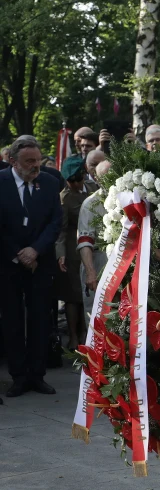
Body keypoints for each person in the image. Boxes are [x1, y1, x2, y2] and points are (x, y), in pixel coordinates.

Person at [0, 135, 62, 397]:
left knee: (40, 319)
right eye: (29, 161)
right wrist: (18, 253)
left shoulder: (49, 182)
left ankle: (37, 375)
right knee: (12, 320)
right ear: (13, 161)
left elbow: (55, 222)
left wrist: (35, 250)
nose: (36, 165)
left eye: (37, 159)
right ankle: (19, 376)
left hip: (40, 262)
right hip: (8, 264)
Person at [54, 156, 90, 349]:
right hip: (72, 250)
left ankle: (86, 333)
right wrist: (61, 254)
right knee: (73, 295)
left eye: (78, 179)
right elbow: (61, 230)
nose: (75, 184)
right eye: (71, 181)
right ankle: (74, 336)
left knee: (87, 293)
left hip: (92, 246)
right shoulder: (65, 197)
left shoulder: (93, 188)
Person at [76, 161, 111, 318]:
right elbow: (85, 241)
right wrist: (90, 272)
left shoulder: (127, 198)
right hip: (98, 261)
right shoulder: (90, 204)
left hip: (123, 263)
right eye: (107, 177)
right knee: (98, 315)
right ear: (97, 179)